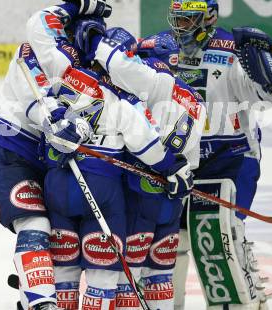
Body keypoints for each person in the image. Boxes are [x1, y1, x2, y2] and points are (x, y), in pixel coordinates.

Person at [164, 0, 272, 309]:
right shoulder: (163, 48)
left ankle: (246, 302)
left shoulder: (231, 52)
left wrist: (264, 63)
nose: (180, 27)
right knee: (172, 240)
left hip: (232, 158)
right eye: (177, 19)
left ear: (207, 18)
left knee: (222, 237)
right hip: (181, 162)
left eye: (187, 20)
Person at [0, 0, 113, 310]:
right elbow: (36, 102)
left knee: (61, 238)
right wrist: (73, 4)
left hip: (54, 159)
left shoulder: (90, 69)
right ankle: (42, 304)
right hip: (11, 149)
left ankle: (33, 294)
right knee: (34, 226)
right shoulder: (34, 51)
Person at [39, 47, 194, 310]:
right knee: (104, 275)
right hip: (102, 192)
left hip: (57, 185)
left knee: (63, 272)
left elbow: (39, 111)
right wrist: (171, 167)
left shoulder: (65, 80)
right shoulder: (125, 99)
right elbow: (146, 146)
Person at [72, 25, 206, 310]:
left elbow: (141, 142)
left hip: (138, 195)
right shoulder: (196, 99)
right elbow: (190, 157)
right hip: (172, 201)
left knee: (126, 277)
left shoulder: (141, 87)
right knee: (160, 276)